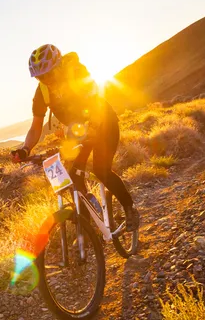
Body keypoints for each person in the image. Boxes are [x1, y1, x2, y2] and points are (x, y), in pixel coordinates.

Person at [11, 44, 139, 232]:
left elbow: (95, 102)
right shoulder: (42, 91)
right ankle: (88, 228)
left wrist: (92, 126)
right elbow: (36, 125)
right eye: (40, 76)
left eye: (48, 74)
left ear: (59, 66)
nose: (45, 79)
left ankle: (130, 209)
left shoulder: (76, 74)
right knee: (73, 175)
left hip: (104, 124)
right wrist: (25, 149)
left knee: (101, 170)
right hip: (79, 132)